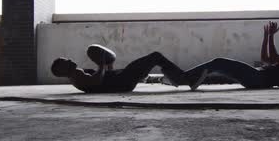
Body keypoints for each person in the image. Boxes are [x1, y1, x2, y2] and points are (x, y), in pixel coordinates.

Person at [184, 21, 279, 90]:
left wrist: (272, 36)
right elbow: (265, 59)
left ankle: (184, 77)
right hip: (255, 79)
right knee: (218, 67)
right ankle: (191, 78)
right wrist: (266, 37)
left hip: (257, 78)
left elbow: (273, 57)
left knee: (219, 62)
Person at [51, 46, 202, 93]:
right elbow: (96, 81)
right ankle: (187, 79)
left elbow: (102, 80)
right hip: (123, 80)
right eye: (66, 62)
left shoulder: (76, 76)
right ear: (61, 71)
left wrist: (108, 64)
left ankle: (176, 77)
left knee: (155, 59)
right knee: (155, 56)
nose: (70, 60)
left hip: (122, 80)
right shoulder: (77, 75)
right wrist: (101, 63)